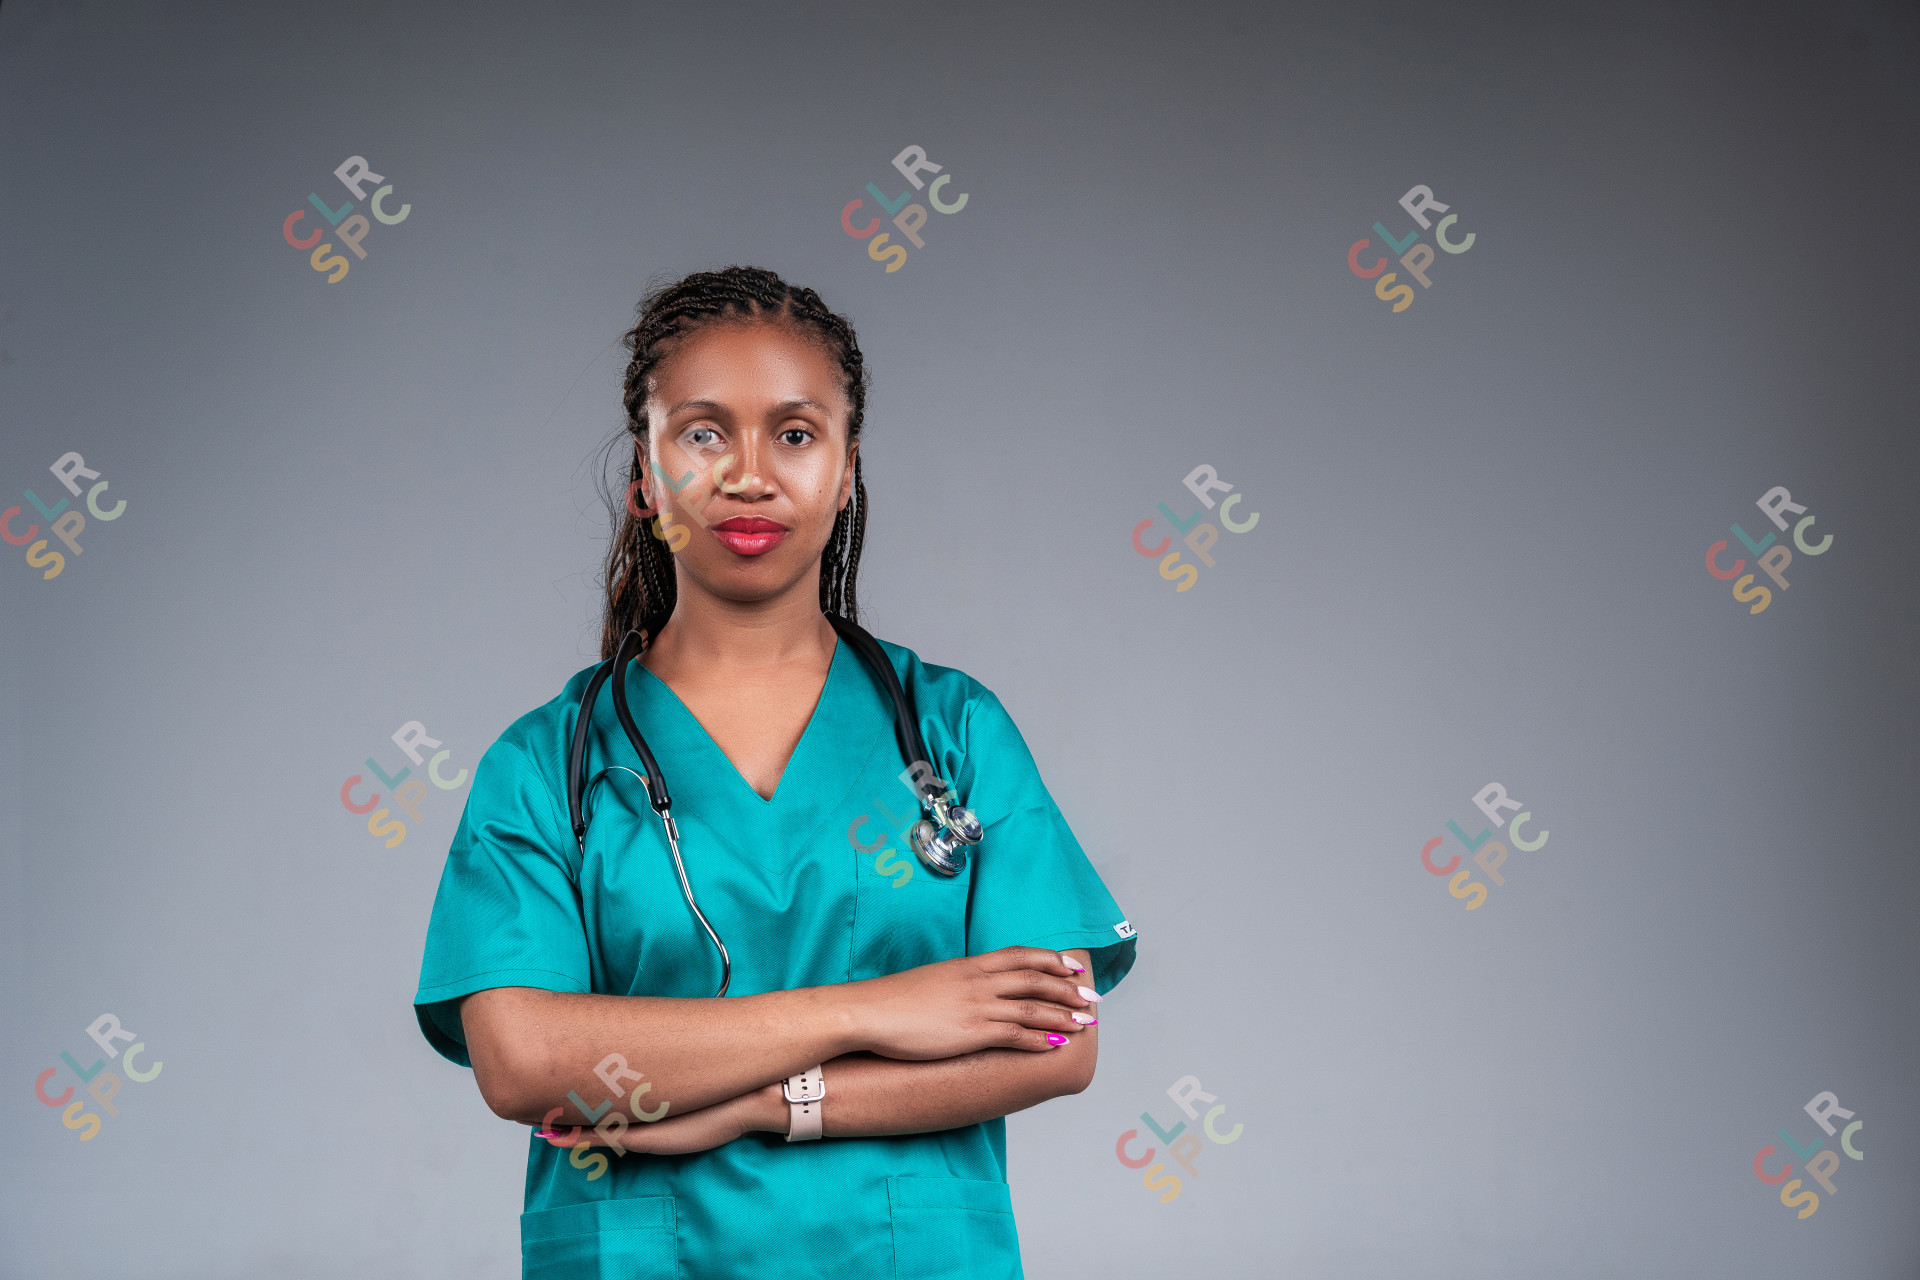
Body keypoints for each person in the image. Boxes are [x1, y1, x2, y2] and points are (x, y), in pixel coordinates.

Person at [412, 266, 1136, 1279]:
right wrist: (869, 1008)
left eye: (795, 433)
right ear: (645, 474)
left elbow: (1059, 1039)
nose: (749, 474)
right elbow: (523, 1060)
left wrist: (765, 1103)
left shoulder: (954, 730)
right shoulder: (548, 764)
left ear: (845, 471)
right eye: (704, 433)